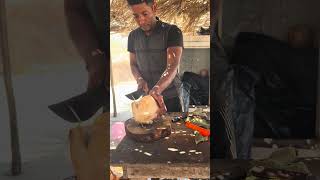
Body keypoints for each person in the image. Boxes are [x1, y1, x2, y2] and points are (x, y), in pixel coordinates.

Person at [127, 0, 184, 112]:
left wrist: (157, 89)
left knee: (172, 128)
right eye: (136, 16)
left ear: (153, 8)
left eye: (145, 14)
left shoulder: (172, 32)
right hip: (147, 98)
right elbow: (133, 64)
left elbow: (172, 66)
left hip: (171, 97)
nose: (141, 20)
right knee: (148, 127)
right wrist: (139, 80)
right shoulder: (133, 36)